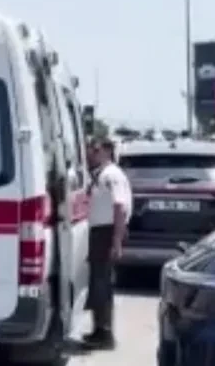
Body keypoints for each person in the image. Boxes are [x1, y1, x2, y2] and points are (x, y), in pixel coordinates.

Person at [84, 136, 131, 350]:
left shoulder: (111, 175)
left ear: (105, 151)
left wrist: (116, 241)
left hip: (107, 232)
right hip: (100, 232)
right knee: (98, 282)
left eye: (94, 149)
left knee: (102, 283)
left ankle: (105, 334)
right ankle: (98, 330)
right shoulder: (102, 174)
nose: (89, 153)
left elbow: (119, 207)